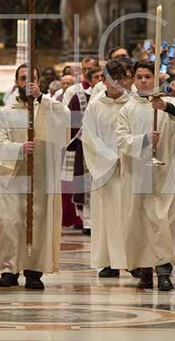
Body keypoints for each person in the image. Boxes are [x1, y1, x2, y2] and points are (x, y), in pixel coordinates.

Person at [115, 60, 175, 291]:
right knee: (140, 221)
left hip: (167, 172)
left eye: (147, 77)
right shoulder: (127, 109)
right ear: (133, 79)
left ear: (156, 78)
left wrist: (166, 107)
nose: (143, 81)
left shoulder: (168, 103)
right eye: (139, 77)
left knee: (165, 220)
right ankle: (144, 271)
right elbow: (120, 139)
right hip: (138, 172)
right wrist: (143, 140)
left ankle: (164, 272)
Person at [0, 64, 70, 290]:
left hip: (41, 176)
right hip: (14, 176)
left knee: (38, 221)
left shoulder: (49, 108)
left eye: (32, 78)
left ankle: (34, 271)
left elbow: (65, 123)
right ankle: (9, 269)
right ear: (17, 82)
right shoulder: (7, 113)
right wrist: (19, 148)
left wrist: (41, 99)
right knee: (10, 222)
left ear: (38, 81)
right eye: (23, 78)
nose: (27, 83)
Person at [82, 59, 134, 278]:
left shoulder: (132, 103)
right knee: (106, 217)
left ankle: (133, 261)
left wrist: (127, 155)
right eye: (113, 80)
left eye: (121, 79)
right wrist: (110, 157)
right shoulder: (96, 105)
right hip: (105, 169)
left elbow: (137, 133)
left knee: (129, 215)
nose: (117, 84)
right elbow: (89, 137)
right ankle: (108, 262)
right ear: (103, 80)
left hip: (129, 167)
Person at [66, 66, 105, 234]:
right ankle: (87, 222)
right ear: (89, 80)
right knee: (85, 183)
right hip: (84, 147)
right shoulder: (79, 97)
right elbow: (71, 122)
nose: (99, 80)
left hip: (105, 147)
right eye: (96, 77)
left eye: (101, 77)